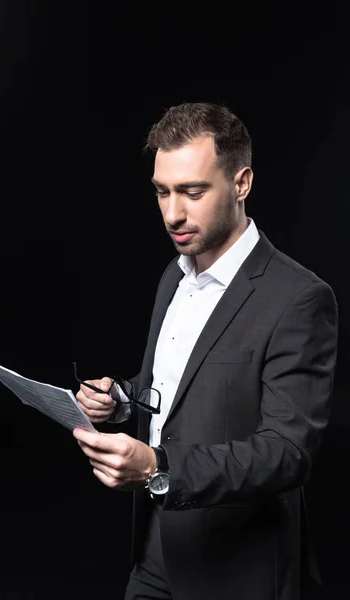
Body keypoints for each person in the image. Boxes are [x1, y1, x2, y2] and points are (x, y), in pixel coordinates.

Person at [72, 102, 338, 600]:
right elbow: (177, 387)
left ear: (242, 183)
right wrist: (122, 399)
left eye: (192, 192)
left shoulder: (299, 298)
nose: (173, 213)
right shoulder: (175, 273)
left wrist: (156, 467)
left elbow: (288, 452)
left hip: (236, 570)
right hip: (153, 548)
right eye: (161, 192)